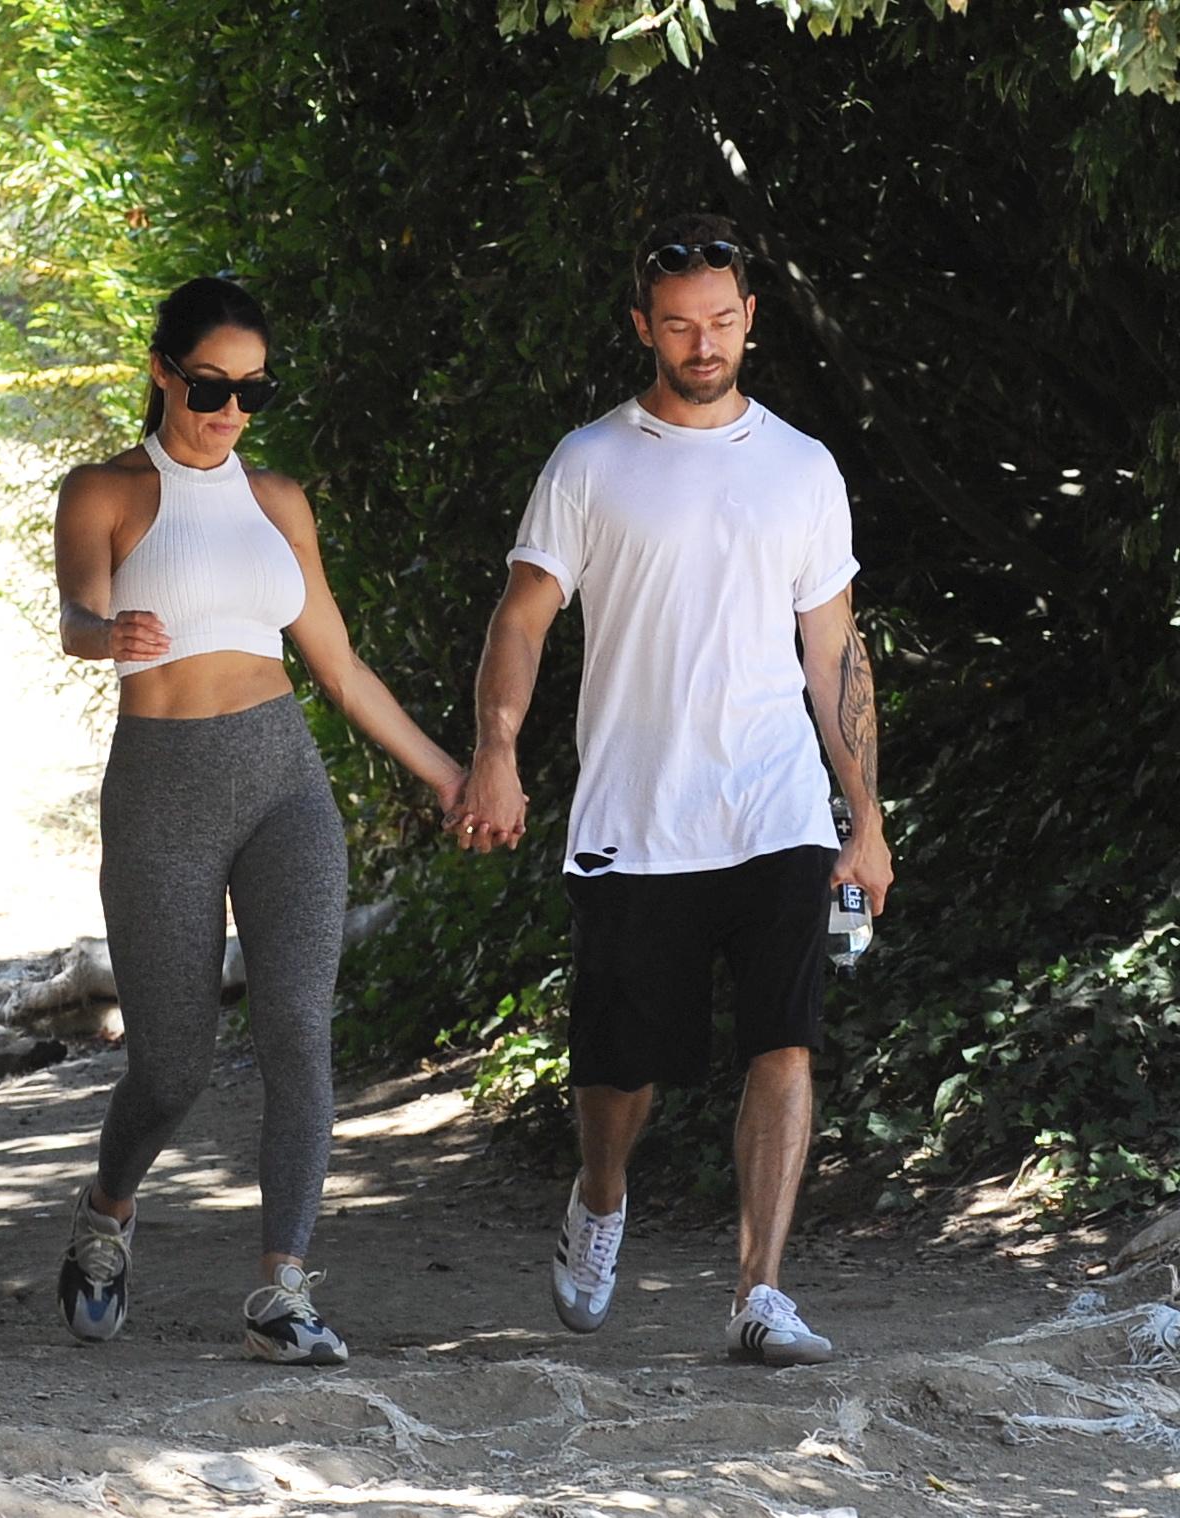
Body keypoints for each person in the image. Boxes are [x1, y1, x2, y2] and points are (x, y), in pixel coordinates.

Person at [453, 215, 893, 1365]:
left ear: (749, 316)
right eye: (679, 324)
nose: (702, 342)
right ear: (643, 327)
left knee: (782, 1040)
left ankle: (758, 1291)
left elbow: (834, 652)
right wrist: (496, 749)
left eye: (721, 320)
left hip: (774, 806)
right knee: (618, 1067)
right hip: (636, 816)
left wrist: (864, 820)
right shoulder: (589, 463)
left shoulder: (800, 466)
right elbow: (522, 616)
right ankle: (600, 1197)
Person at [53, 275, 467, 1366]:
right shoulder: (104, 490)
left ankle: (281, 1285)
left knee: (297, 1026)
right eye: (208, 386)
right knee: (172, 1069)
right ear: (161, 371)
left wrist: (447, 774)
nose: (229, 409)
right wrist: (111, 636)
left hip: (284, 781)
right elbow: (75, 616)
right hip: (161, 791)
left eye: (251, 392)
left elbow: (336, 663)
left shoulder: (278, 502)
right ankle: (106, 1215)